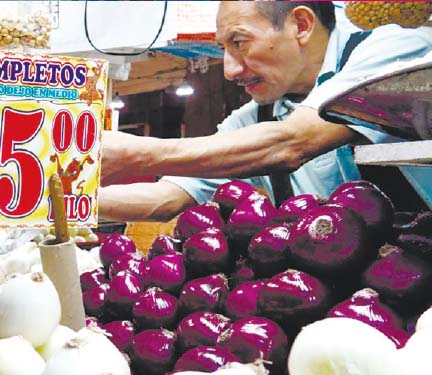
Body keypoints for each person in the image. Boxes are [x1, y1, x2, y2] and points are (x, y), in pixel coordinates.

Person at [100, 1, 432, 222]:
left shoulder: (396, 48)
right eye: (223, 49)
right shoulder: (259, 117)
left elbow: (294, 141)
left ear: (301, 25)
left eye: (239, 42)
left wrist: (137, 154)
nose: (229, 70)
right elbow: (167, 198)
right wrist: (73, 198)